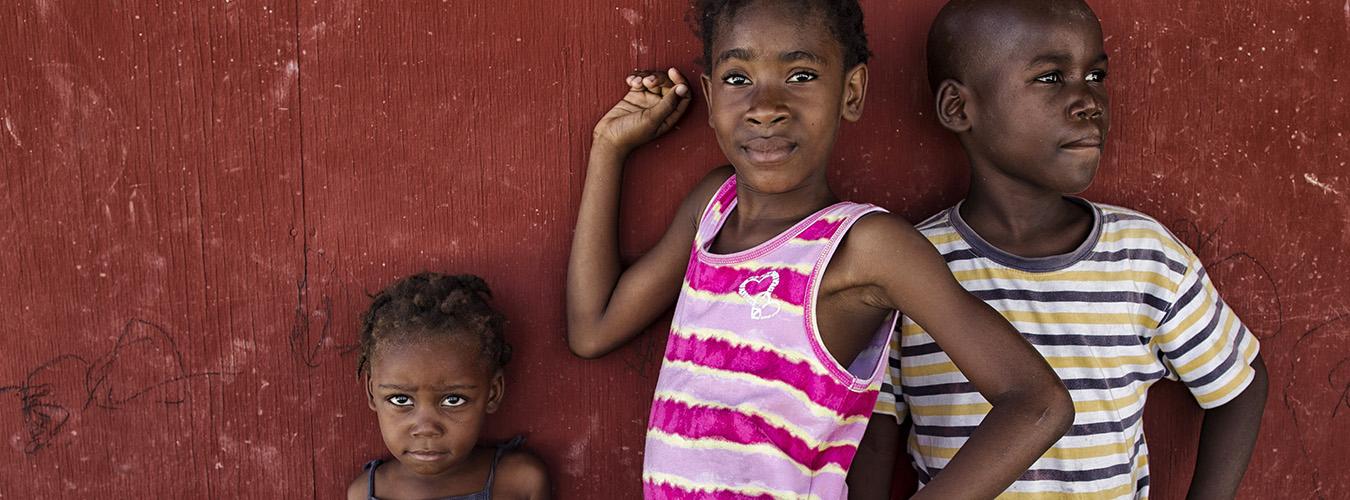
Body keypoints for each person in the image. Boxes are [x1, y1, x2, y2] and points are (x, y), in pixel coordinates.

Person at [566, 1, 1073, 497]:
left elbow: (1037, 403)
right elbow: (593, 328)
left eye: (801, 75)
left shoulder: (863, 245)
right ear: (710, 97)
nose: (765, 108)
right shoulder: (712, 207)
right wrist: (608, 147)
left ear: (850, 93)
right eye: (738, 78)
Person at [850, 1, 1268, 498]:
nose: (1088, 100)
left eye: (1095, 75)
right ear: (959, 108)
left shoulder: (1144, 258)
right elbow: (873, 438)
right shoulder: (910, 266)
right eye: (1051, 78)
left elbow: (1240, 383)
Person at [348, 273, 549, 500]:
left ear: (493, 392)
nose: (426, 428)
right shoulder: (366, 493)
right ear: (372, 392)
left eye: (453, 399)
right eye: (400, 400)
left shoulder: (519, 482)